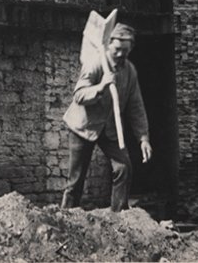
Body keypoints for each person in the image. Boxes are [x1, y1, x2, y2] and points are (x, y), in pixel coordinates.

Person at [61, 23, 152, 212]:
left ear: (130, 49)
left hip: (109, 128)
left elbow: (136, 106)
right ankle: (65, 219)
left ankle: (118, 218)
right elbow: (79, 95)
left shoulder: (129, 71)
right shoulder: (95, 62)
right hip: (83, 126)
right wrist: (101, 86)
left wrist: (143, 138)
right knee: (75, 180)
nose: (120, 54)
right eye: (117, 49)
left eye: (125, 51)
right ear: (109, 45)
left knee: (123, 167)